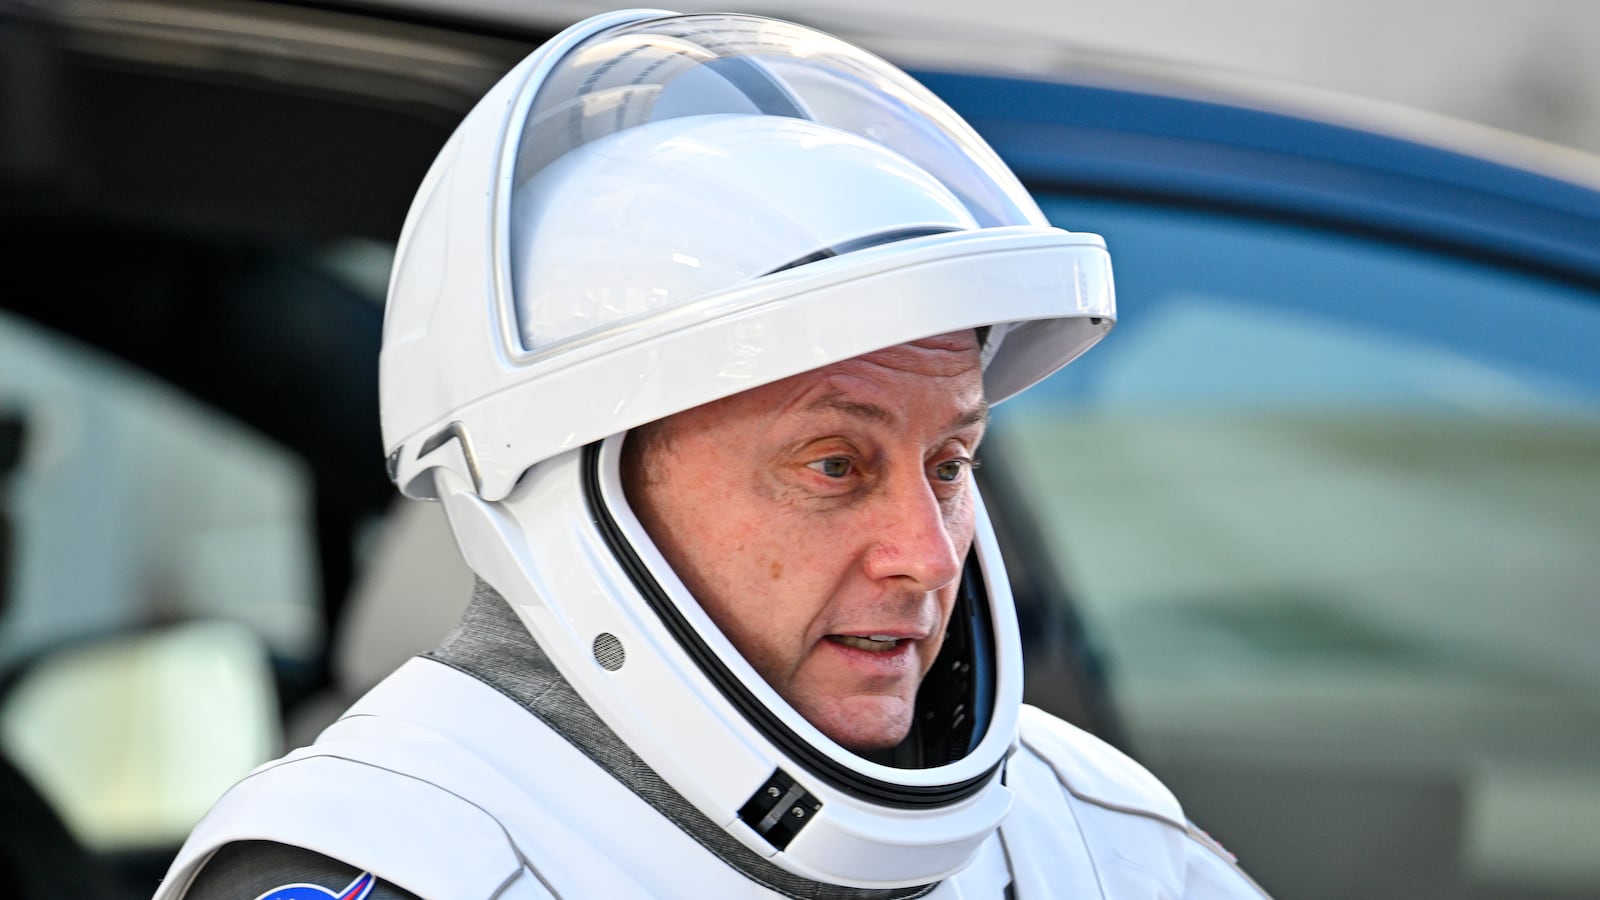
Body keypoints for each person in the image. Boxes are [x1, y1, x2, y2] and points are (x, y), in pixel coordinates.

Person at [154, 10, 1269, 899]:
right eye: (833, 465)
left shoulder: (1099, 840)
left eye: (950, 463)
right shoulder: (382, 866)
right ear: (582, 494)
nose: (925, 559)